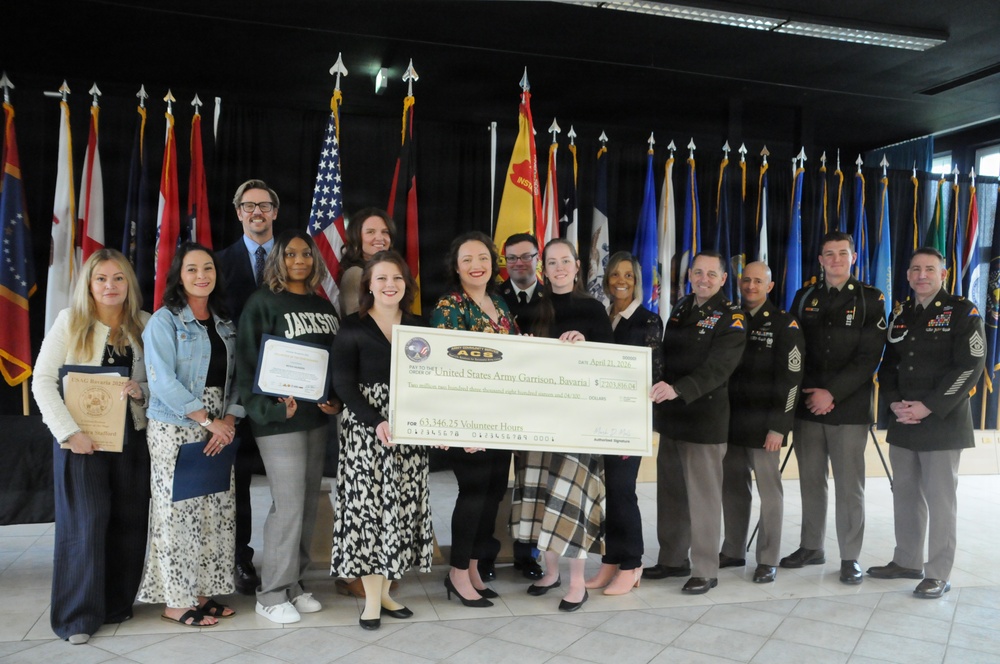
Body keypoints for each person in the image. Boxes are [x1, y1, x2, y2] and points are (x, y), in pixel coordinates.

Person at [32, 249, 151, 644]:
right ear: (88, 283)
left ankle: (116, 604)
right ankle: (77, 618)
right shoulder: (71, 322)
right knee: (85, 524)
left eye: (118, 278)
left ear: (128, 284)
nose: (110, 286)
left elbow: (158, 385)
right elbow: (42, 381)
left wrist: (141, 391)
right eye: (101, 278)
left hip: (131, 439)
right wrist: (68, 433)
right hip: (80, 442)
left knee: (129, 522)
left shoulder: (145, 325)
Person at [236, 229, 343, 624]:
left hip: (316, 419)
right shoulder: (262, 302)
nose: (300, 260)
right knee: (288, 505)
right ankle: (270, 593)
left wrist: (335, 400)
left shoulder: (323, 306)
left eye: (306, 254)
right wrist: (269, 410)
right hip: (278, 422)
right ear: (277, 260)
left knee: (308, 503)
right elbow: (248, 364)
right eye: (291, 254)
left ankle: (295, 584)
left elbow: (334, 362)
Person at [867, 248, 984, 599]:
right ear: (907, 275)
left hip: (941, 423)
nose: (922, 275)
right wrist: (894, 404)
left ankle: (937, 573)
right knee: (904, 495)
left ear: (943, 274)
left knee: (940, 500)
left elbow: (970, 366)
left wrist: (928, 407)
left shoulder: (963, 312)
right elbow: (888, 365)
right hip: (904, 420)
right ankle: (906, 561)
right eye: (915, 268)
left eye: (929, 269)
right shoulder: (902, 315)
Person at [138, 243, 244, 626]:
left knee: (215, 511)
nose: (202, 275)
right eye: (192, 269)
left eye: (208, 268)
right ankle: (176, 601)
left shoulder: (226, 324)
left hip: (219, 427)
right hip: (177, 425)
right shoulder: (164, 322)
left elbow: (238, 379)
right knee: (178, 513)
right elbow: (161, 381)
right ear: (178, 277)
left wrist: (229, 419)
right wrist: (206, 420)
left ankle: (201, 593)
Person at [330, 251, 434, 629]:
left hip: (409, 436)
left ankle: (387, 593)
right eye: (382, 278)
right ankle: (371, 601)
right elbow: (343, 383)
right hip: (366, 435)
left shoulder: (421, 327)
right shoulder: (352, 328)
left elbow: (434, 381)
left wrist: (434, 424)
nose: (390, 285)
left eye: (398, 278)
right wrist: (376, 421)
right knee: (371, 516)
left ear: (406, 285)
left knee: (401, 515)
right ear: (369, 285)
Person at [513, 238, 612, 611]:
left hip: (581, 421)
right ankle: (550, 573)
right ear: (543, 267)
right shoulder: (531, 310)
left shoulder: (594, 310)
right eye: (551, 262)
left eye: (564, 261)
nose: (558, 268)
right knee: (542, 497)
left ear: (576, 266)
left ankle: (576, 583)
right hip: (538, 419)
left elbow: (613, 363)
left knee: (572, 499)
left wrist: (586, 344)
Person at [782, 231, 886, 585]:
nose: (836, 259)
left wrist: (832, 393)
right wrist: (812, 393)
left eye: (843, 253)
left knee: (849, 486)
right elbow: (795, 349)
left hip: (849, 408)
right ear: (821, 260)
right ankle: (811, 547)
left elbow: (869, 356)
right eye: (829, 254)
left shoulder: (871, 299)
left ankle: (849, 557)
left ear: (853, 258)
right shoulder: (804, 296)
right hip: (808, 405)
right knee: (811, 481)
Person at [644, 251, 746, 594]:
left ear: (722, 279)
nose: (703, 278)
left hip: (704, 420)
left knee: (703, 499)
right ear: (690, 275)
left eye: (710, 274)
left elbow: (719, 368)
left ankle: (705, 568)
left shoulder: (731, 317)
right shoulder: (683, 307)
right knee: (671, 494)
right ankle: (672, 559)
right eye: (697, 272)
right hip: (674, 418)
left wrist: (678, 389)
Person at [430, 231, 517, 608]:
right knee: (473, 494)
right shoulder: (449, 305)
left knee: (493, 494)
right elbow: (442, 365)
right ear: (455, 266)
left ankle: (476, 567)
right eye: (466, 259)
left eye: (482, 257)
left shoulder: (499, 302)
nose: (476, 265)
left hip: (502, 418)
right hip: (469, 419)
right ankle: (457, 572)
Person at [584, 251, 662, 596]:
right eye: (615, 274)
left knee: (623, 492)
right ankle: (611, 561)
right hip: (600, 420)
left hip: (629, 422)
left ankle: (632, 564)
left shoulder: (648, 321)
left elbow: (652, 374)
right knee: (608, 493)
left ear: (637, 281)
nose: (621, 281)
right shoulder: (601, 316)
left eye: (628, 275)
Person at [721, 261, 804, 584]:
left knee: (770, 494)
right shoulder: (731, 318)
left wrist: (780, 427)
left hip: (766, 426)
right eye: (746, 280)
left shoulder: (785, 324)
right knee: (733, 490)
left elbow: (792, 379)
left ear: (769, 286)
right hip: (730, 422)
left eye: (758, 281)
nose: (751, 286)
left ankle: (768, 558)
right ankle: (732, 549)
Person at [215, 178, 278, 595]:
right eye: (248, 205)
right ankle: (240, 559)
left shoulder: (297, 260)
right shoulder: (217, 264)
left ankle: (286, 561)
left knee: (288, 481)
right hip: (235, 393)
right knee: (236, 482)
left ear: (275, 211)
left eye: (264, 205)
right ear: (238, 212)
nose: (257, 212)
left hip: (285, 394)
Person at [482, 231, 546, 582]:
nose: (520, 263)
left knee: (531, 485)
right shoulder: (493, 298)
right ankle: (486, 555)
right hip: (498, 407)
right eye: (513, 258)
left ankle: (528, 555)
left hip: (537, 408)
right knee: (492, 485)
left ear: (538, 257)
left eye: (527, 256)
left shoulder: (554, 297)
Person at [338, 208, 396, 316]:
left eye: (385, 232)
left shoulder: (396, 272)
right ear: (356, 237)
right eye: (370, 232)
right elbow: (358, 323)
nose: (379, 237)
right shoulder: (355, 274)